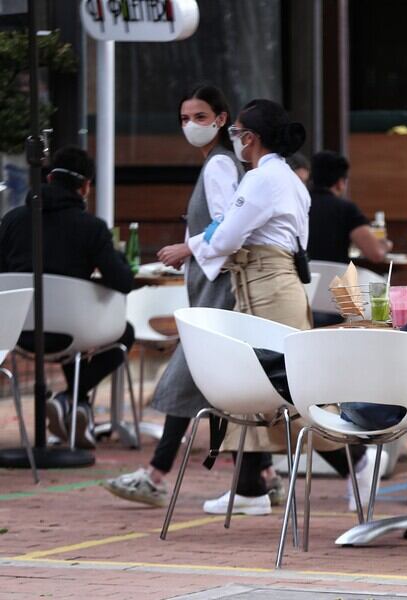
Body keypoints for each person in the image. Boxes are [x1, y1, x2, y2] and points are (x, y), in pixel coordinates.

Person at [190, 99, 376, 515]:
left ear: (249, 138)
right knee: (261, 390)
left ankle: (357, 460)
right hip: (270, 285)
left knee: (288, 392)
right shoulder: (286, 178)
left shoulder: (261, 180)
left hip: (268, 287)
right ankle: (250, 487)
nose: (233, 141)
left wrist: (199, 238)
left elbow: (222, 241)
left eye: (236, 133)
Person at [101, 84, 269, 508]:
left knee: (189, 376)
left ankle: (157, 475)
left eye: (199, 117)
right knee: (224, 387)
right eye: (184, 119)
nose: (190, 126)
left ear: (221, 119)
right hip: (214, 289)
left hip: (217, 291)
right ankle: (261, 475)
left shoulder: (217, 166)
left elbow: (226, 224)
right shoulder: (222, 163)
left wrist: (187, 246)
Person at [0, 146, 134, 449]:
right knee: (121, 334)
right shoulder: (92, 228)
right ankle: (71, 401)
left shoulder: (12, 221)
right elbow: (123, 281)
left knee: (77, 342)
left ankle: (77, 408)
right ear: (85, 187)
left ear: (49, 178)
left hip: (17, 332)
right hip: (72, 334)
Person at [307, 150, 390, 265]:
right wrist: (386, 245)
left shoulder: (298, 205)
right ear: (340, 183)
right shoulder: (346, 209)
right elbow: (376, 253)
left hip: (302, 280)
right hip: (336, 280)